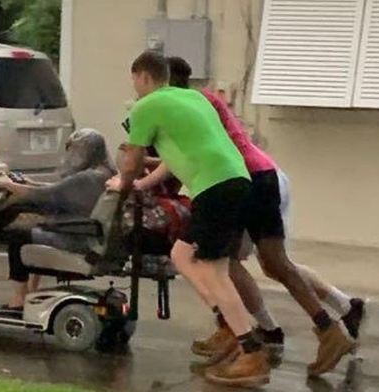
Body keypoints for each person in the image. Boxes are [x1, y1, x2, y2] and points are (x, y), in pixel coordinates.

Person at [147, 56, 361, 377]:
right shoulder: (200, 101)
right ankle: (324, 327)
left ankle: (249, 335)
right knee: (269, 264)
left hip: (243, 180)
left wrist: (138, 176)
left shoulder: (189, 105)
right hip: (259, 174)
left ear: (164, 84)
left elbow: (201, 152)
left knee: (216, 259)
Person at [110, 51, 269, 388]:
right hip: (234, 179)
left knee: (214, 270)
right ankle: (229, 326)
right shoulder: (192, 98)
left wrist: (123, 186)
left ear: (144, 77)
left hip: (215, 186)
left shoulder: (146, 106)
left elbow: (132, 160)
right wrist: (140, 181)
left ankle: (251, 351)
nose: (135, 89)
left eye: (135, 81)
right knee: (182, 255)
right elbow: (177, 152)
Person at [0, 128, 117, 316]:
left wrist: (9, 185)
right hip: (89, 235)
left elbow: (46, 195)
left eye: (73, 150)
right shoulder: (105, 173)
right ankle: (31, 292)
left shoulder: (87, 178)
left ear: (84, 151)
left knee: (18, 236)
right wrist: (27, 183)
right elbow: (59, 190)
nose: (69, 155)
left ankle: (19, 300)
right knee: (33, 227)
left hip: (78, 239)